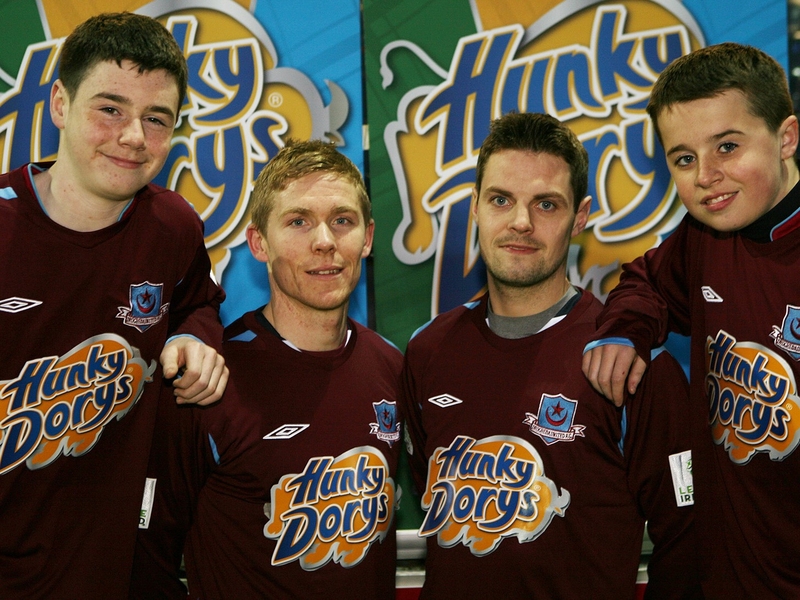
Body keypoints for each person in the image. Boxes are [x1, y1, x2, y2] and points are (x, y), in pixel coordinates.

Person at [401, 112, 701, 599]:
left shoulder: (631, 360)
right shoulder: (427, 351)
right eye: (501, 200)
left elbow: (686, 530)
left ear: (579, 216)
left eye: (546, 204)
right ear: (475, 206)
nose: (521, 222)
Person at [0, 12, 228, 598]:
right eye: (110, 108)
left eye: (156, 119)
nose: (133, 137)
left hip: (122, 572)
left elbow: (197, 304)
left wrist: (196, 339)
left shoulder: (173, 226)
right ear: (58, 103)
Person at [133, 139, 403, 599]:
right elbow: (143, 556)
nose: (324, 242)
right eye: (298, 222)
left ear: (369, 237)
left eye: (342, 221)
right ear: (259, 242)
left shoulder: (393, 366)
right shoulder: (210, 378)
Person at [581, 42, 800, 599]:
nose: (706, 176)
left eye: (727, 146)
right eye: (683, 158)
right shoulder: (704, 238)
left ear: (786, 137)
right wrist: (624, 331)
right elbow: (646, 281)